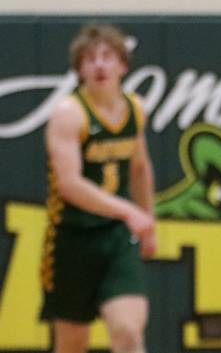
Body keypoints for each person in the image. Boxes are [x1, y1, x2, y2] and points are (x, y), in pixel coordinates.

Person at [40, 24, 156, 353]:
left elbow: (140, 168)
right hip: (71, 238)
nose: (100, 66)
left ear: (123, 65)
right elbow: (70, 184)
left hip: (116, 238)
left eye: (107, 57)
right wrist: (128, 210)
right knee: (72, 344)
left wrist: (148, 221)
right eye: (90, 59)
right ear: (79, 70)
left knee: (128, 333)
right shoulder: (68, 113)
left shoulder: (135, 109)